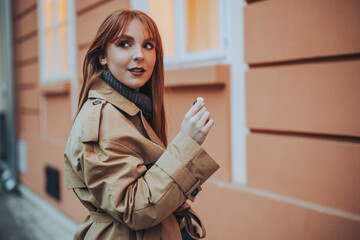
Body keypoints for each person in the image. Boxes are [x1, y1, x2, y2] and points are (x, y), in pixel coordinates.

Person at [64, 9, 219, 240]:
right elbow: (134, 209)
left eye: (148, 45)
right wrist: (187, 143)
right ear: (102, 56)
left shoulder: (131, 108)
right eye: (125, 44)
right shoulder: (100, 120)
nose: (140, 55)